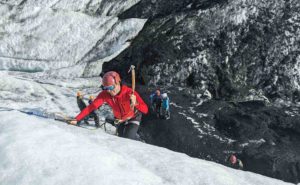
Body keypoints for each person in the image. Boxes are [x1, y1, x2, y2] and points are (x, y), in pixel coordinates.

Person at [69, 71, 148, 140]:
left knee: (128, 139)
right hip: (119, 119)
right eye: (106, 88)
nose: (109, 91)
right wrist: (77, 119)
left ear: (117, 83)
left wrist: (136, 103)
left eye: (111, 87)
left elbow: (145, 109)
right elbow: (91, 107)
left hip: (133, 117)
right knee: (120, 139)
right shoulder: (105, 94)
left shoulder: (130, 93)